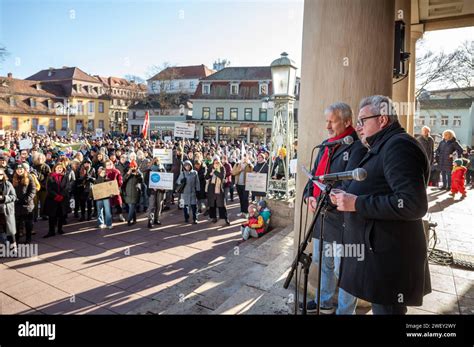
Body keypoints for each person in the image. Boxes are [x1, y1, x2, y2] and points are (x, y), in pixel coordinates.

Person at [333, 95, 431, 315]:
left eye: (362, 120)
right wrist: (348, 195)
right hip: (382, 253)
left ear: (383, 119)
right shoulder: (385, 144)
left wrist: (357, 203)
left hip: (390, 258)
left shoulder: (398, 146)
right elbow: (379, 187)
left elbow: (413, 204)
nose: (358, 127)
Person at [300, 102, 363, 315]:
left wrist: (325, 199)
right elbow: (315, 176)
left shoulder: (356, 147)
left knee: (343, 268)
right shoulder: (326, 144)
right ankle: (324, 301)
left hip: (344, 220)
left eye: (332, 121)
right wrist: (309, 195)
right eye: (326, 120)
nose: (327, 125)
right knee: (321, 261)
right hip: (323, 216)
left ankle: (345, 311)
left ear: (347, 122)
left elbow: (351, 185)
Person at [43, 163, 70, 238]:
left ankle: (60, 229)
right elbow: (49, 188)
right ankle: (51, 231)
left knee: (61, 215)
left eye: (61, 168)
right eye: (58, 167)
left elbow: (67, 187)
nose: (59, 169)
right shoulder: (50, 177)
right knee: (52, 216)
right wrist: (56, 196)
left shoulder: (65, 177)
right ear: (55, 168)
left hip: (62, 200)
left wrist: (61, 195)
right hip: (52, 200)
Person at [12, 163, 36, 244]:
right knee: (17, 223)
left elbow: (33, 190)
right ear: (16, 170)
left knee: (28, 223)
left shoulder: (29, 177)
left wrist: (27, 199)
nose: (19, 171)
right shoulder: (13, 178)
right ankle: (17, 237)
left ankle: (28, 238)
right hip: (17, 204)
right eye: (18, 169)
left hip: (27, 204)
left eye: (21, 169)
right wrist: (15, 199)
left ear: (24, 170)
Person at [206, 158, 230, 225]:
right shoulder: (210, 168)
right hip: (211, 188)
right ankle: (213, 217)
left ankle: (224, 218)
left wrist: (215, 172)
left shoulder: (222, 168)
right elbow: (206, 177)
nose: (216, 164)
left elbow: (222, 177)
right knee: (212, 204)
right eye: (215, 163)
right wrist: (210, 174)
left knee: (221, 204)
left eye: (217, 162)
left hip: (219, 188)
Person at [144, 157, 166, 228]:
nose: (156, 162)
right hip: (152, 191)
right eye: (155, 160)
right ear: (152, 161)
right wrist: (152, 186)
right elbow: (146, 180)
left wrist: (163, 187)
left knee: (159, 205)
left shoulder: (162, 169)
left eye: (158, 160)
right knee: (152, 205)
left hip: (160, 191)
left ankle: (157, 219)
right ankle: (150, 220)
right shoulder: (149, 170)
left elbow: (165, 179)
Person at [0, 167, 17, 251]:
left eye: (1, 174)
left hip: (7, 211)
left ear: (3, 175)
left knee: (10, 232)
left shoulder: (8, 184)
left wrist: (4, 198)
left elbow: (14, 196)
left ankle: (13, 250)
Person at [122, 160, 143, 226]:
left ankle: (128, 220)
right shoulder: (127, 172)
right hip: (127, 192)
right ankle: (134, 219)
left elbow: (141, 180)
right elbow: (123, 180)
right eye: (131, 166)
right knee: (131, 207)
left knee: (132, 206)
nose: (133, 167)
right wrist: (128, 173)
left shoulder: (138, 173)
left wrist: (138, 174)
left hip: (135, 192)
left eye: (134, 166)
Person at [33, 153, 51, 221]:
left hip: (44, 188)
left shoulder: (46, 166)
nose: (40, 159)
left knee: (44, 202)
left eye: (41, 158)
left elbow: (48, 176)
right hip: (36, 188)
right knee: (35, 203)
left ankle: (44, 215)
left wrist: (43, 184)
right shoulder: (33, 166)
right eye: (38, 158)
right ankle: (34, 216)